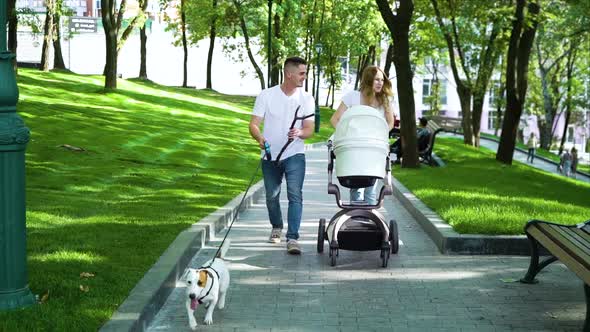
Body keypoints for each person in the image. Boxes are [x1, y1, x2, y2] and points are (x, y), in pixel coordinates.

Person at [249, 57, 315, 255]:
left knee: (295, 195)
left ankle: (292, 238)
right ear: (289, 74)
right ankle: (276, 226)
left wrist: (299, 134)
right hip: (270, 156)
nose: (305, 77)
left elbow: (310, 129)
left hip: (295, 154)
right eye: (302, 73)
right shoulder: (266, 95)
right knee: (272, 195)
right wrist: (260, 138)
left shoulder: (306, 99)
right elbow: (253, 124)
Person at [329, 65, 396, 205]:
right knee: (356, 188)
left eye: (382, 80)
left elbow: (390, 123)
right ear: (368, 80)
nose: (380, 83)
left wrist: (382, 133)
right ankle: (356, 215)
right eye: (377, 80)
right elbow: (335, 119)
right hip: (354, 145)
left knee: (371, 189)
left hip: (373, 146)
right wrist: (345, 134)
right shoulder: (353, 97)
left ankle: (370, 218)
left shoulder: (384, 100)